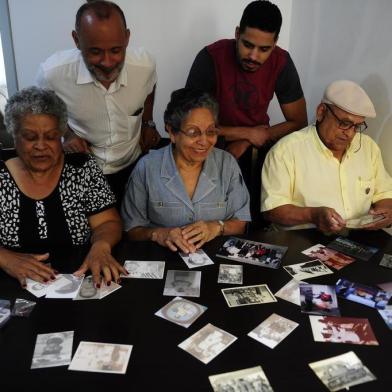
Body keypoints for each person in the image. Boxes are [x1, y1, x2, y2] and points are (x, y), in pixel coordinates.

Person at [185, 0, 307, 218]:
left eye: (264, 49)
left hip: (257, 150)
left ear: (276, 42)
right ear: (237, 33)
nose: (253, 56)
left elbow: (298, 122)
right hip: (210, 146)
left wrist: (254, 137)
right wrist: (246, 133)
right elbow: (189, 125)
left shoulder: (281, 62)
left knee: (255, 218)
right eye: (248, 45)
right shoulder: (210, 57)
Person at [0, 87, 127, 288]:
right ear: (13, 135)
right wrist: (5, 258)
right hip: (11, 286)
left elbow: (108, 222)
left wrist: (101, 247)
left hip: (78, 280)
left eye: (50, 136)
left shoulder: (81, 167)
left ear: (61, 135)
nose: (41, 146)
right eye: (30, 137)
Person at [36, 0, 159, 204]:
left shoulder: (145, 65)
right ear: (76, 40)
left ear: (127, 38)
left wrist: (148, 121)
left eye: (116, 50)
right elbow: (42, 109)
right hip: (80, 169)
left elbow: (150, 87)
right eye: (95, 52)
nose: (107, 62)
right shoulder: (52, 73)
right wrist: (66, 134)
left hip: (133, 167)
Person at [121, 88, 251, 253]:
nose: (204, 141)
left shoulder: (227, 164)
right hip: (162, 259)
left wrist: (216, 227)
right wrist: (159, 234)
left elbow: (241, 223)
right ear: (172, 132)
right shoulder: (147, 167)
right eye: (193, 132)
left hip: (215, 260)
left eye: (211, 132)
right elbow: (131, 230)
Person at [261, 80, 392, 232]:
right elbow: (272, 210)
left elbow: (385, 193)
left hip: (357, 239)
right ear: (321, 112)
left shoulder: (368, 148)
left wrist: (386, 213)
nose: (350, 133)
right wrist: (312, 215)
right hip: (301, 241)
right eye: (344, 123)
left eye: (357, 126)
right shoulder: (285, 151)